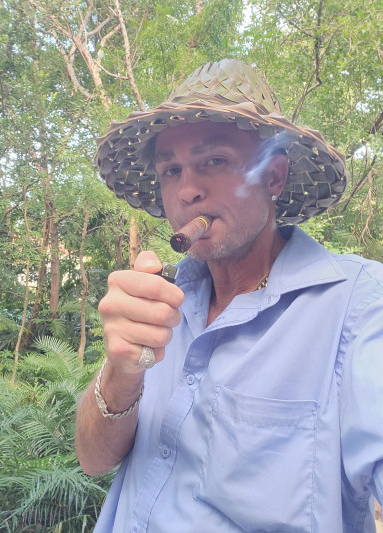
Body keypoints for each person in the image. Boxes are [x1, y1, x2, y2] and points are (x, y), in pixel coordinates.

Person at [75, 59, 383, 532]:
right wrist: (122, 369)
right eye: (171, 170)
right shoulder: (160, 302)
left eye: (214, 161)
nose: (187, 191)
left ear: (274, 177)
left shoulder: (358, 307)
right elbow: (93, 459)